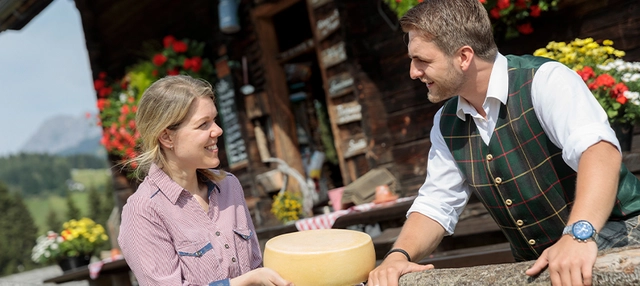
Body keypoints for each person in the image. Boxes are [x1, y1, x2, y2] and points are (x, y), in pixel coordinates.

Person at [368, 0, 640, 285]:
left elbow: (599, 153)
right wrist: (399, 256)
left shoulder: (544, 81)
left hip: (621, 239)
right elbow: (436, 204)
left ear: (464, 57)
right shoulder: (446, 122)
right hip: (540, 265)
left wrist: (578, 235)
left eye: (422, 60)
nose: (413, 72)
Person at [118, 75, 292, 286]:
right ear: (166, 138)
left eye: (215, 120)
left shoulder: (229, 186)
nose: (217, 130)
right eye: (203, 124)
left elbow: (256, 267)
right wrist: (244, 282)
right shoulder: (143, 210)